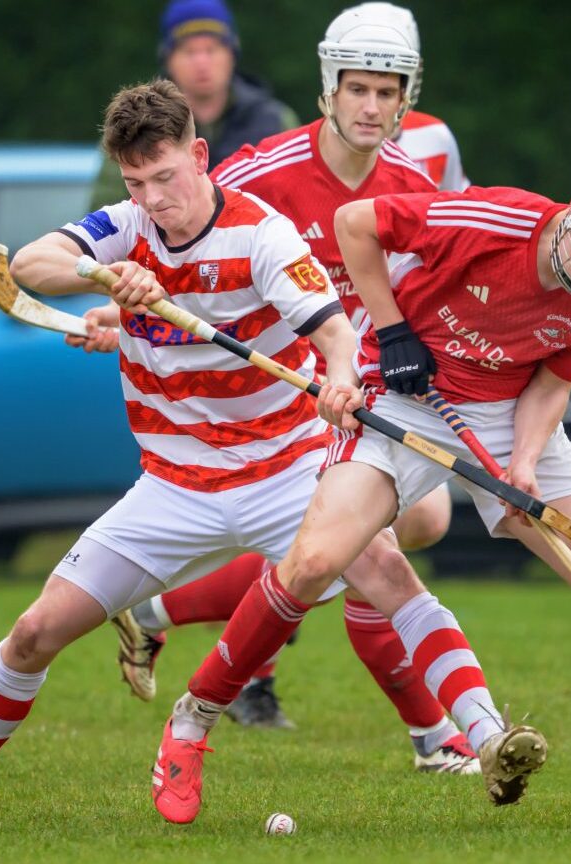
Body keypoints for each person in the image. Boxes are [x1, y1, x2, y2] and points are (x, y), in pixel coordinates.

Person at [0, 79, 542, 828]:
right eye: (137, 183)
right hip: (172, 485)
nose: (155, 200)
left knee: (388, 574)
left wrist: (341, 382)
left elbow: (335, 335)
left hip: (288, 469)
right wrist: (105, 278)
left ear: (199, 155)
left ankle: (487, 737)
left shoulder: (263, 235)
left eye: (166, 178)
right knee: (33, 633)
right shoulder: (125, 229)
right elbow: (27, 263)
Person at [169, 159, 571, 832]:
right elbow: (353, 225)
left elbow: (551, 386)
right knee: (316, 563)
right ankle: (194, 717)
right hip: (404, 391)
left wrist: (524, 464)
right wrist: (393, 331)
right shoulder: (491, 221)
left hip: (507, 415)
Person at [100, 3, 478, 772]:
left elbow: (435, 287)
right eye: (358, 89)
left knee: (408, 528)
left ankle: (160, 609)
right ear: (329, 88)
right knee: (367, 548)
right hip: (284, 397)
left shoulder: (419, 177)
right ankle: (436, 737)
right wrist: (119, 308)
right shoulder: (256, 169)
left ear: (408, 94)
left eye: (388, 90)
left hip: (365, 387)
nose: (372, 106)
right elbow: (182, 244)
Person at [88, 0, 298, 209]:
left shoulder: (276, 121)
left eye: (211, 49)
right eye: (189, 51)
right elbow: (107, 218)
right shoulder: (134, 125)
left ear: (232, 54)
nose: (201, 62)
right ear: (168, 58)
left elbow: (298, 204)